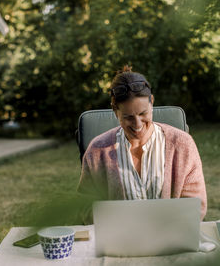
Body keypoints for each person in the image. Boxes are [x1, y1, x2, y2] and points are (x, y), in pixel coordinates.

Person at [77, 65, 207, 222]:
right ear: (115, 110)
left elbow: (196, 206)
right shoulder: (97, 151)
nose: (137, 124)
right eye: (128, 117)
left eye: (143, 113)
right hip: (120, 241)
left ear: (151, 101)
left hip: (170, 238)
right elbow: (83, 207)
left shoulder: (182, 144)